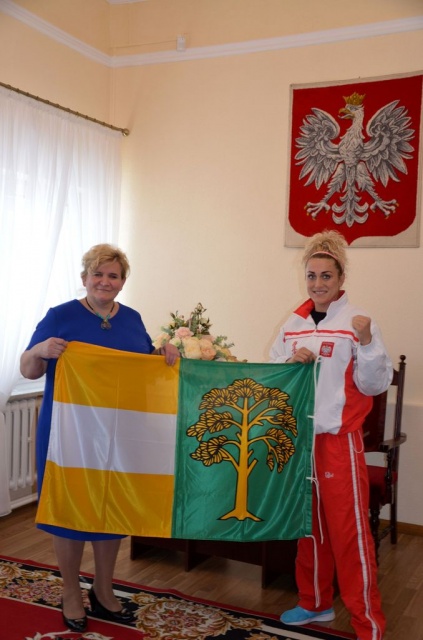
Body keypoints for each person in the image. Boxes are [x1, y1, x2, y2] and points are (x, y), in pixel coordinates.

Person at [20, 243, 179, 633]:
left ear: (122, 282)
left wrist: (164, 355)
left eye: (113, 276)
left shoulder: (132, 319)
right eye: (98, 274)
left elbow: (141, 368)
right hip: (68, 433)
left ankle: (104, 590)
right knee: (70, 507)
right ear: (84, 277)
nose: (105, 281)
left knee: (112, 506)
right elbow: (27, 369)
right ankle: (70, 592)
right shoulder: (61, 315)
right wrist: (41, 349)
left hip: (118, 434)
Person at [269, 230, 391, 640]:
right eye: (312, 275)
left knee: (349, 533)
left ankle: (367, 623)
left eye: (326, 276)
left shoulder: (357, 322)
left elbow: (375, 384)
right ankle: (315, 602)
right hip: (301, 440)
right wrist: (291, 361)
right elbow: (274, 371)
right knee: (309, 528)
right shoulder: (293, 324)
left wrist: (367, 342)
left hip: (339, 441)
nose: (318, 283)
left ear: (341, 279)